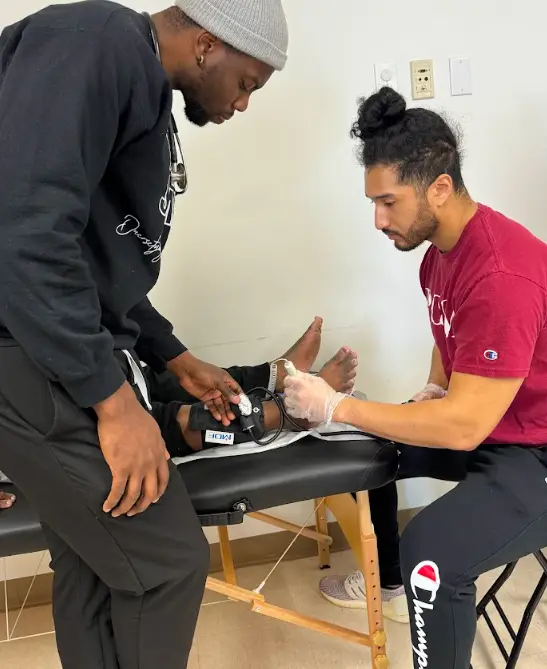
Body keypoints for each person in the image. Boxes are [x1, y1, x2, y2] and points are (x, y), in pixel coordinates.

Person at [0, 1, 288, 667]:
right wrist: (113, 401)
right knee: (169, 565)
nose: (242, 105)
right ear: (208, 44)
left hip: (45, 340)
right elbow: (25, 235)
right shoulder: (97, 42)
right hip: (27, 348)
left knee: (93, 561)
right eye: (247, 84)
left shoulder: (133, 77)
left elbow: (95, 257)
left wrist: (170, 352)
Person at [283, 86, 547, 669]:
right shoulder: (440, 253)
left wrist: (337, 406)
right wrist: (436, 386)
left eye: (388, 202)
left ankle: (414, 581)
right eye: (372, 202)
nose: (377, 220)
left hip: (537, 452)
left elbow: (460, 429)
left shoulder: (502, 271)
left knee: (433, 553)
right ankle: (391, 587)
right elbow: (447, 332)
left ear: (440, 188)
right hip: (499, 428)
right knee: (368, 447)